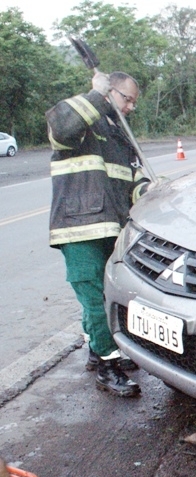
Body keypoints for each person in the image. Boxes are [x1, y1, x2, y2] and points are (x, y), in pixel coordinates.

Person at [46, 71, 150, 397]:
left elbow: (131, 184)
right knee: (94, 300)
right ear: (109, 92)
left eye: (134, 101)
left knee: (106, 297)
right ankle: (108, 365)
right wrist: (94, 94)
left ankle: (97, 349)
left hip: (111, 229)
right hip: (79, 229)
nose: (131, 107)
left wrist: (153, 191)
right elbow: (61, 128)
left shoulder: (118, 137)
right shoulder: (79, 122)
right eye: (126, 98)